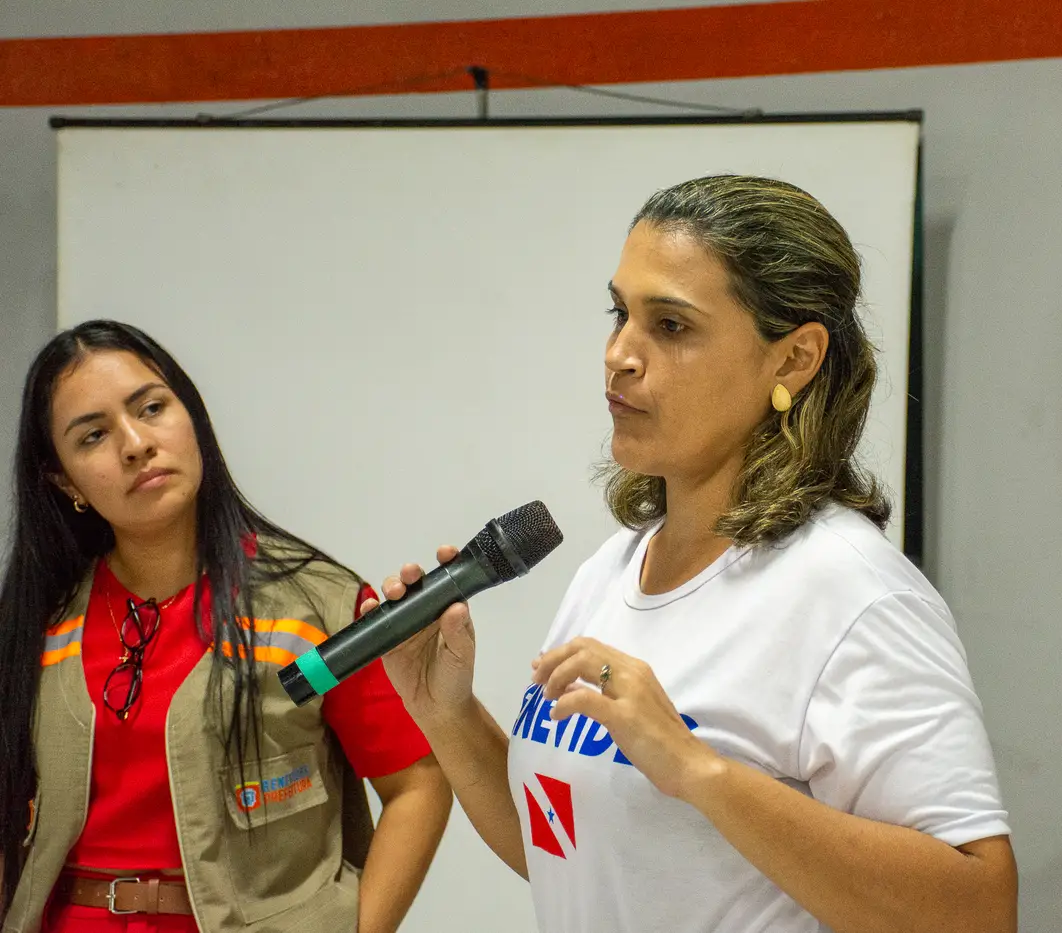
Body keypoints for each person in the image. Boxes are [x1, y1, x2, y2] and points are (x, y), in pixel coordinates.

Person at [372, 175, 1017, 933]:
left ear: (794, 359)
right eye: (620, 313)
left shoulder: (853, 594)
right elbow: (570, 853)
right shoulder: (610, 571)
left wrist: (698, 770)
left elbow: (981, 910)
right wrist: (445, 713)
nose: (619, 354)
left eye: (671, 325)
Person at [0, 321, 453, 933]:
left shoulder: (315, 606)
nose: (135, 444)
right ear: (64, 480)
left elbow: (417, 785)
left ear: (192, 417)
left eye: (151, 408)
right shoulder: (39, 623)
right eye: (94, 436)